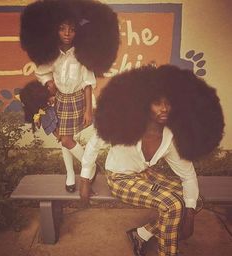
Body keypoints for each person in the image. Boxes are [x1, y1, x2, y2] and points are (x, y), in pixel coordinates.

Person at [79, 65, 224, 256]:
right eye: (157, 103)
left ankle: (141, 234)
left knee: (193, 200)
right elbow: (93, 145)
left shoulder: (170, 137)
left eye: (168, 103)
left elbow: (187, 175)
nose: (164, 108)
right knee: (172, 204)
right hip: (119, 178)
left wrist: (190, 219)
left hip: (144, 175)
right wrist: (84, 180)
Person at [20, 0, 119, 192]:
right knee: (64, 139)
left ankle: (85, 169)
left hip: (78, 100)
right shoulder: (52, 55)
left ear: (78, 32)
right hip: (60, 100)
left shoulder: (82, 55)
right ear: (54, 31)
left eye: (72, 29)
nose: (67, 33)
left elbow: (88, 83)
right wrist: (49, 83)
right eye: (62, 28)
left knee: (67, 138)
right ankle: (78, 171)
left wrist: (89, 110)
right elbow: (42, 72)